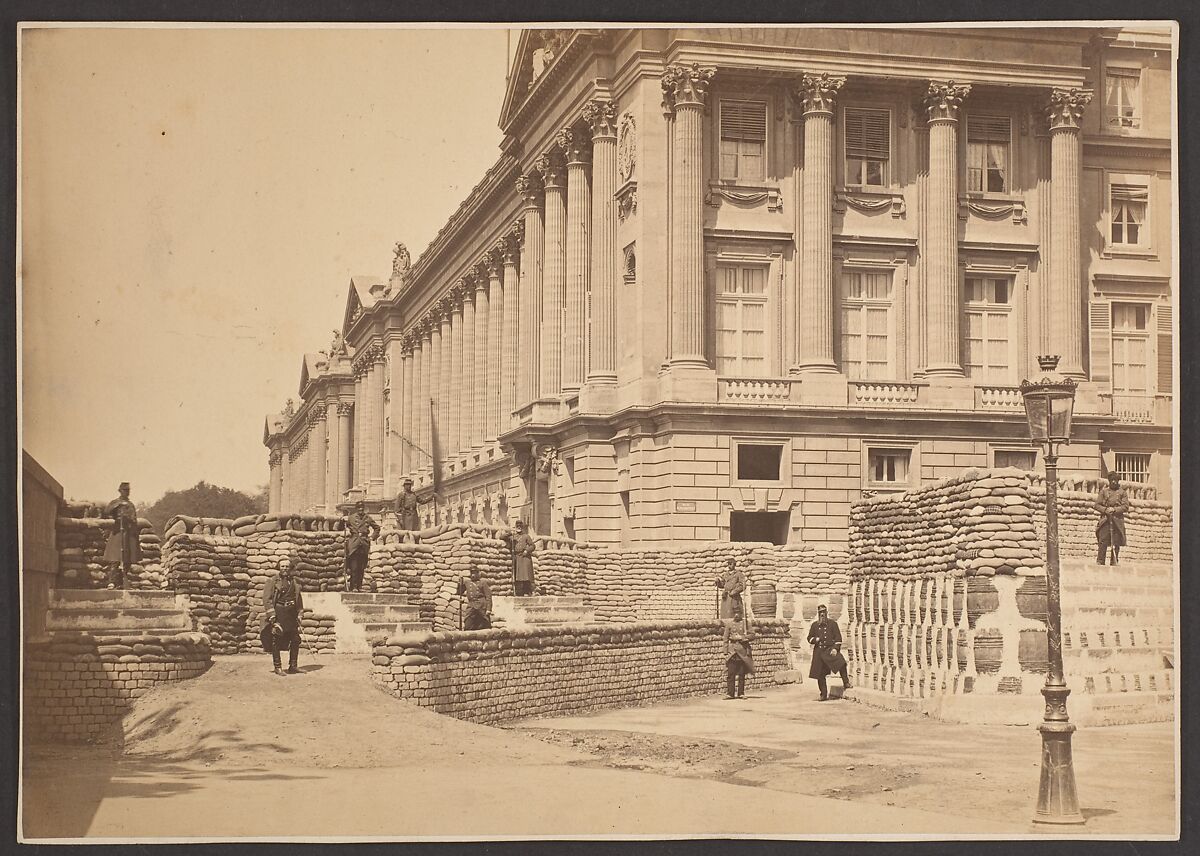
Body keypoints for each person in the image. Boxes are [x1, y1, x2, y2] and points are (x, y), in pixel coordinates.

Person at [261, 558, 304, 675]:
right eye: (282, 566)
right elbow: (267, 599)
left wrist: (300, 613)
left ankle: (293, 666)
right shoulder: (273, 581)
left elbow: (298, 599)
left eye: (287, 567)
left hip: (291, 614)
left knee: (295, 639)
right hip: (279, 612)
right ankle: (277, 667)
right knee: (277, 639)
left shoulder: (294, 581)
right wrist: (272, 615)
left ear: (290, 568)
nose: (285, 569)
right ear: (279, 568)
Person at [101, 482, 141, 590]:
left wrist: (131, 525)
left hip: (128, 532)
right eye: (124, 490)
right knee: (115, 557)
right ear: (120, 491)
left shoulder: (131, 504)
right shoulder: (115, 502)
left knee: (127, 558)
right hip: (118, 531)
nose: (127, 492)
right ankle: (112, 581)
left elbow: (134, 518)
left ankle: (122, 580)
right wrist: (117, 506)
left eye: (128, 490)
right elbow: (107, 511)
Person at [808, 604, 851, 701]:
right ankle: (823, 694)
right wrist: (815, 639)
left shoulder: (833, 624)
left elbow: (838, 638)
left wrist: (835, 648)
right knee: (820, 674)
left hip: (829, 650)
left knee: (841, 663)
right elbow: (809, 638)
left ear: (827, 613)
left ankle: (846, 682)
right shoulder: (814, 625)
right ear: (818, 614)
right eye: (820, 613)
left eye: (824, 612)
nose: (822, 615)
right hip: (819, 652)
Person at [343, 501, 380, 592]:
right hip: (354, 543)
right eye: (359, 508)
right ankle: (353, 586)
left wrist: (372, 537)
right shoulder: (351, 518)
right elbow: (342, 527)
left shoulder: (368, 518)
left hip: (364, 543)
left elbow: (377, 528)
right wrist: (342, 521)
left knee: (361, 567)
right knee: (354, 567)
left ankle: (359, 586)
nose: (360, 510)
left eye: (362, 508)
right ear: (356, 509)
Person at [1095, 472, 1130, 565]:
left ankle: (1114, 560)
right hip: (1105, 520)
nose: (1114, 482)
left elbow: (1125, 506)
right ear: (1109, 481)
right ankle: (1100, 561)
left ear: (1118, 481)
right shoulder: (1104, 492)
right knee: (1103, 540)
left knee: (1116, 541)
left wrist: (1114, 509)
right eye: (1112, 480)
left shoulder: (1122, 492)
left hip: (1117, 520)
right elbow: (1097, 505)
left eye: (1115, 480)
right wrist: (1106, 510)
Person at [722, 615, 755, 700]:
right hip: (732, 651)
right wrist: (725, 652)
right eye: (735, 613)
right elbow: (725, 638)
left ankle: (741, 693)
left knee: (741, 673)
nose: (736, 615)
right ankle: (730, 693)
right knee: (731, 673)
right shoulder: (729, 624)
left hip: (742, 650)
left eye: (738, 613)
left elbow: (752, 635)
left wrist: (744, 637)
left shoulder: (746, 624)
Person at [511, 519, 537, 596]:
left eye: (520, 526)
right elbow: (502, 537)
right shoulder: (513, 537)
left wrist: (527, 551)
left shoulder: (526, 536)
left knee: (527, 575)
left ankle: (528, 591)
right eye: (517, 526)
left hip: (525, 557)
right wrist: (509, 533)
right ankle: (520, 592)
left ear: (522, 527)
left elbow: (533, 546)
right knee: (518, 576)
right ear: (515, 527)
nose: (519, 527)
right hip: (517, 557)